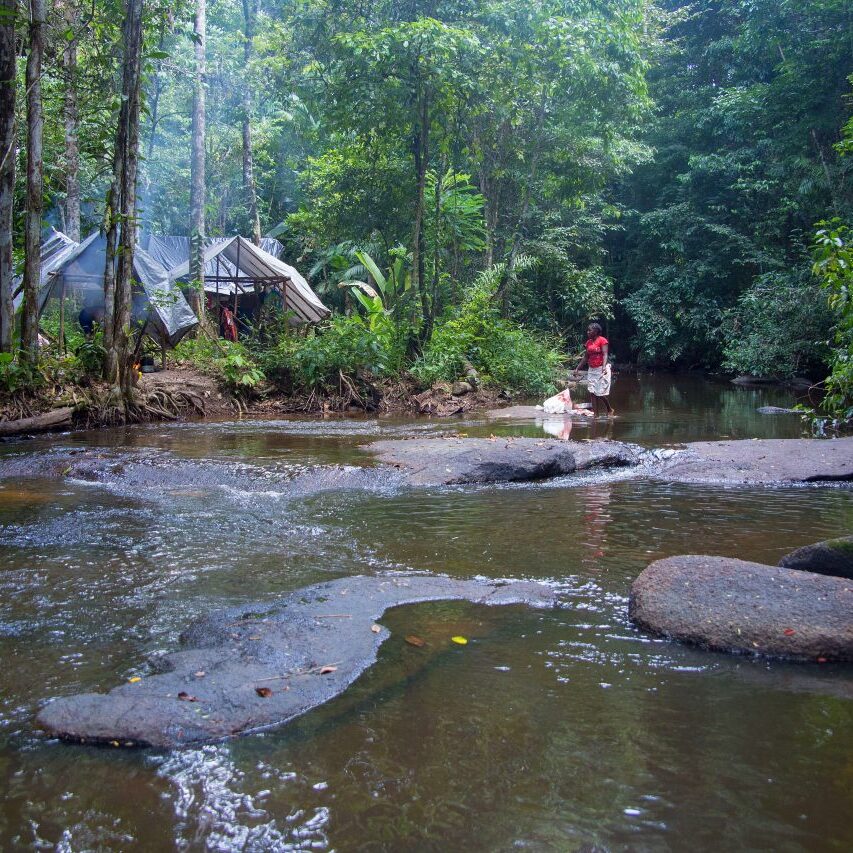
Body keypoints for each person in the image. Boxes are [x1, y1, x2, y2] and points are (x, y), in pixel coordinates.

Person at [573, 322, 614, 417]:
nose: (587, 332)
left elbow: (605, 354)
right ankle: (596, 415)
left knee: (599, 393)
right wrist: (577, 368)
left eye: (589, 330)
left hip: (601, 369)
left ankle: (609, 409)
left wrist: (604, 367)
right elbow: (586, 357)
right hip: (592, 370)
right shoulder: (588, 343)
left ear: (596, 331)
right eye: (587, 330)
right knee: (592, 392)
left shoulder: (602, 340)